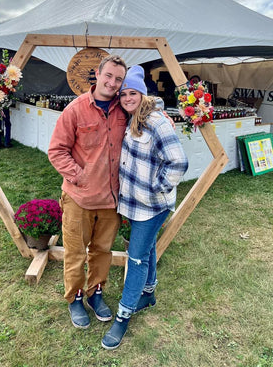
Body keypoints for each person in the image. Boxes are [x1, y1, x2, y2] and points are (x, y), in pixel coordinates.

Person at [101, 65, 188, 350]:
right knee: (147, 247)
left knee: (136, 257)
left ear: (142, 93)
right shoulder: (131, 119)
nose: (127, 97)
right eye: (123, 93)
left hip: (152, 205)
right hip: (135, 205)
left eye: (132, 92)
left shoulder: (157, 122)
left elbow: (178, 163)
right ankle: (148, 294)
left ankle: (123, 316)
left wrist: (156, 189)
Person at [48, 55, 128, 329]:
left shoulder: (123, 110)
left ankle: (96, 293)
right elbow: (56, 150)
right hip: (79, 198)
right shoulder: (76, 109)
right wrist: (79, 177)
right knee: (75, 252)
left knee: (102, 251)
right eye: (108, 76)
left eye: (118, 79)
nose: (112, 83)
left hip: (110, 200)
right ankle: (75, 297)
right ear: (97, 73)